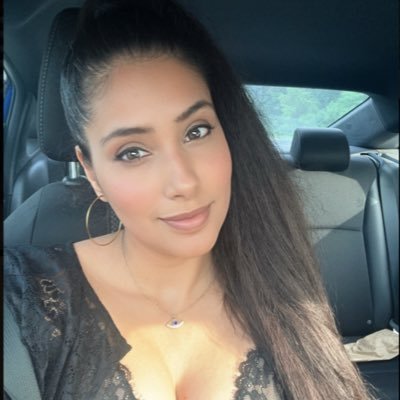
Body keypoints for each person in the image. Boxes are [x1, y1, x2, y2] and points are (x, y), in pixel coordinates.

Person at [4, 0, 376, 399]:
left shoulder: (280, 279)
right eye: (133, 152)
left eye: (197, 131)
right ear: (92, 172)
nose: (183, 181)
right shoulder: (21, 299)